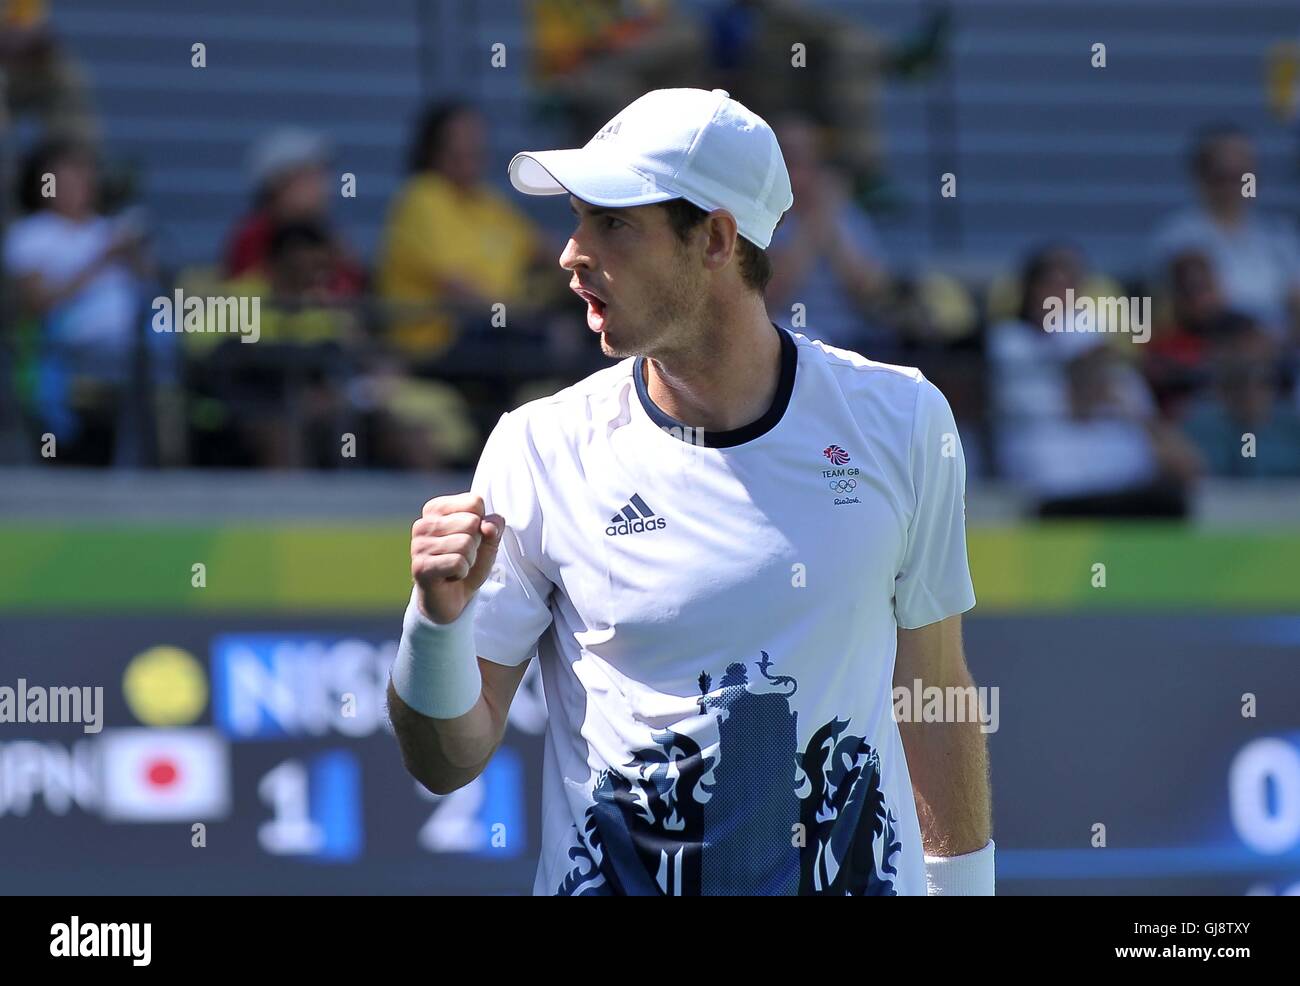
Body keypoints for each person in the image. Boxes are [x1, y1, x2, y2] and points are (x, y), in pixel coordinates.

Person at [387, 88, 992, 896]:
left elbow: (933, 690)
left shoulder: (906, 419)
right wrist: (433, 624)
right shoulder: (536, 447)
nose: (570, 254)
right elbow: (445, 762)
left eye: (612, 224)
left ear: (715, 240)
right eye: (576, 219)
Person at [376, 101, 560, 359]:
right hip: (437, 340)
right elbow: (456, 286)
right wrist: (518, 316)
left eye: (477, 139)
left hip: (493, 331)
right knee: (537, 344)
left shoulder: (488, 201)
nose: (472, 147)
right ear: (435, 147)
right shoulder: (423, 196)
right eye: (461, 140)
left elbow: (544, 248)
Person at [1148, 125, 1300, 342]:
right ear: (1202, 178)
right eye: (1223, 176)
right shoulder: (1179, 237)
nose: (1234, 185)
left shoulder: (1278, 234)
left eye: (1243, 175)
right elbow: (1200, 308)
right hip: (1216, 349)